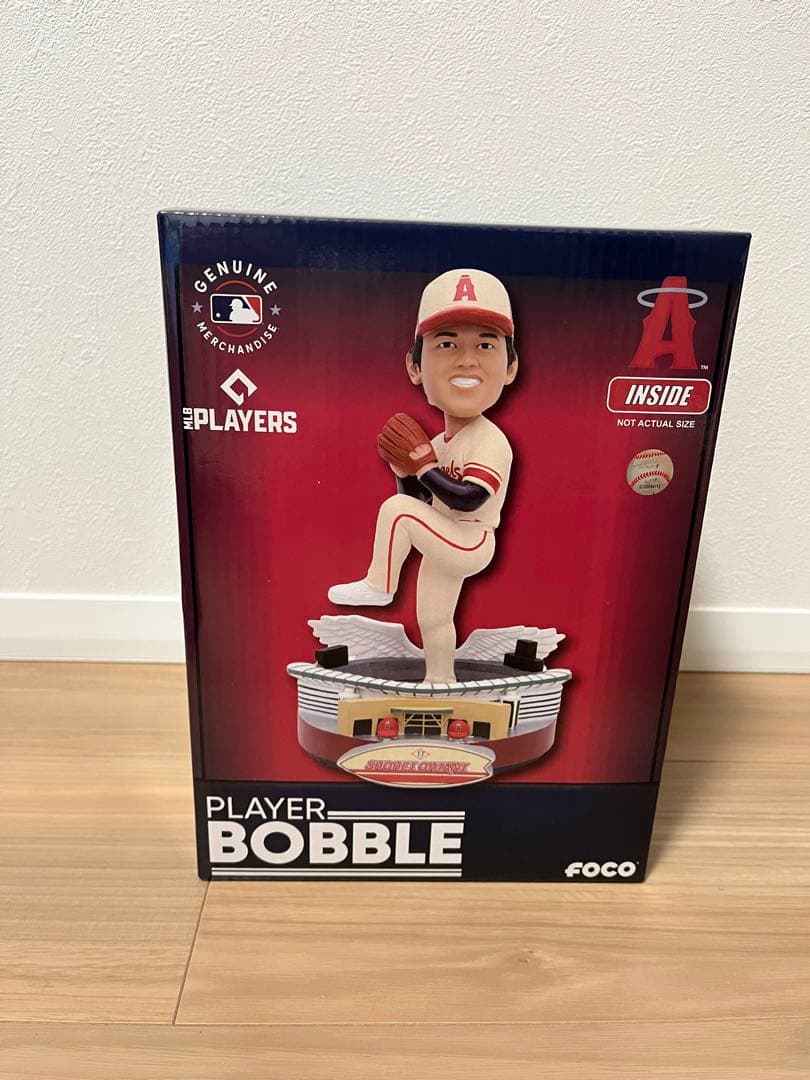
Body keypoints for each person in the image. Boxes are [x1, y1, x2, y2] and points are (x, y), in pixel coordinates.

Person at [328, 269, 518, 684]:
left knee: (396, 510)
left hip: (471, 538)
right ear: (415, 366)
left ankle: (380, 584)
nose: (467, 359)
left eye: (486, 344)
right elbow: (423, 503)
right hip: (446, 536)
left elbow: (469, 497)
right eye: (447, 344)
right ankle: (441, 678)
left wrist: (423, 468)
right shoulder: (439, 441)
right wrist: (406, 473)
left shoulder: (490, 439)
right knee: (433, 618)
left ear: (511, 367)